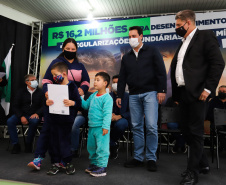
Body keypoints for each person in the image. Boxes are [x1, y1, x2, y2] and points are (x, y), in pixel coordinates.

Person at [170, 10, 225, 185]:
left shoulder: (205, 36)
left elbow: (218, 63)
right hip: (183, 94)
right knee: (186, 131)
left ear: (188, 22)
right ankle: (203, 164)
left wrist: (208, 89)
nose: (176, 28)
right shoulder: (183, 42)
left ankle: (192, 173)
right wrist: (177, 95)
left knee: (195, 132)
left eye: (179, 25)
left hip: (198, 94)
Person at [28, 38, 90, 170]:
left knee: (64, 134)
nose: (71, 51)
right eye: (68, 49)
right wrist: (47, 92)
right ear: (63, 49)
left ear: (76, 50)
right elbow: (46, 80)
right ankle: (38, 158)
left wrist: (81, 89)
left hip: (70, 105)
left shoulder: (80, 65)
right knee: (47, 130)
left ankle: (64, 160)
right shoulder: (56, 63)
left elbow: (86, 82)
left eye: (73, 49)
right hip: (53, 102)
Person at [116, 26, 167, 172]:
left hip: (150, 93)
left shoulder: (152, 51)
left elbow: (161, 72)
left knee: (151, 126)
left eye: (134, 36)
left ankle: (151, 158)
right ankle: (138, 157)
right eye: (129, 36)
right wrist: (120, 95)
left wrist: (162, 90)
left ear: (141, 36)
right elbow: (122, 78)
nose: (131, 39)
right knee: (136, 126)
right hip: (133, 95)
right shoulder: (126, 57)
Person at [44, 62, 81, 175]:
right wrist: (47, 102)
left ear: (64, 74)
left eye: (55, 74)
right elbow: (49, 103)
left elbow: (78, 103)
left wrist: (72, 102)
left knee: (64, 141)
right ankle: (55, 163)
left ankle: (67, 162)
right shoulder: (53, 88)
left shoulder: (72, 86)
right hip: (54, 119)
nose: (54, 77)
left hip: (66, 120)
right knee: (53, 141)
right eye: (52, 75)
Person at [81, 72, 113, 177]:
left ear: (105, 83)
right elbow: (85, 106)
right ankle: (94, 164)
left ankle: (102, 167)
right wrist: (80, 97)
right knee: (92, 147)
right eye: (94, 79)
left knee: (102, 148)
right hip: (92, 127)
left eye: (98, 80)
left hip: (101, 128)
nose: (94, 82)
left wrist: (105, 127)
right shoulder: (93, 95)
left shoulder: (107, 98)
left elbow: (107, 114)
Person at [7, 74, 44, 154]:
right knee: (10, 121)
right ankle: (16, 144)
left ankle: (28, 143)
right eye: (33, 80)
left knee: (34, 122)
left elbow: (44, 106)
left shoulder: (40, 92)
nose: (35, 81)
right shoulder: (20, 92)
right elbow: (15, 106)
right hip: (22, 114)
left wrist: (37, 113)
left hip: (34, 115)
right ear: (27, 82)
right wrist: (21, 116)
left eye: (36, 79)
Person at [110, 74, 130, 159]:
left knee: (121, 124)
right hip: (109, 118)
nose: (115, 85)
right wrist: (109, 114)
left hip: (122, 119)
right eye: (113, 83)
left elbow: (132, 111)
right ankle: (112, 144)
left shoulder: (128, 96)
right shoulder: (108, 95)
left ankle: (112, 142)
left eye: (117, 83)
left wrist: (120, 116)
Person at [71, 91, 92, 157]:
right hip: (73, 113)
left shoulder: (89, 94)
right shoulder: (71, 92)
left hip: (84, 115)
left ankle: (74, 149)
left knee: (74, 125)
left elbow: (87, 108)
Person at [207, 85, 226, 150]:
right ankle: (223, 145)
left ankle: (222, 145)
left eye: (224, 91)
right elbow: (208, 114)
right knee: (219, 128)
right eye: (220, 91)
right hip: (216, 123)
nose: (222, 92)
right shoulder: (213, 101)